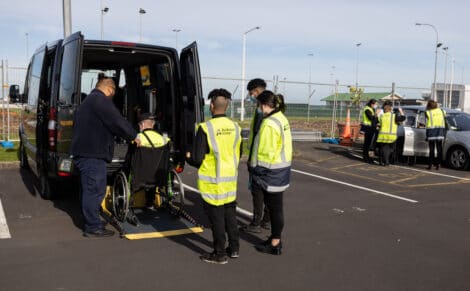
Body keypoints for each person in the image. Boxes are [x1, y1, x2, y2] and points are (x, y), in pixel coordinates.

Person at [71, 78, 140, 237]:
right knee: (95, 190)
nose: (112, 98)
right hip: (92, 155)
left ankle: (92, 220)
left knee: (89, 189)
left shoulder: (89, 101)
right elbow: (117, 121)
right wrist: (134, 136)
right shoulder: (101, 100)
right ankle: (93, 226)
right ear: (109, 89)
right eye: (113, 94)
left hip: (85, 153)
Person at [186, 88, 242, 264]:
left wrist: (188, 157)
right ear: (226, 106)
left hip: (212, 182)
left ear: (211, 106)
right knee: (230, 215)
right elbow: (238, 153)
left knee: (217, 219)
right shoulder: (235, 127)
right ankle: (234, 248)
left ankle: (219, 254)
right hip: (230, 180)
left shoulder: (205, 128)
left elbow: (197, 158)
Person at [250, 90, 292, 256]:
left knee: (275, 208)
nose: (258, 108)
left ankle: (275, 243)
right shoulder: (281, 118)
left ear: (264, 104)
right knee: (276, 207)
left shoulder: (268, 123)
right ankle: (275, 238)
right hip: (281, 169)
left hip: (270, 171)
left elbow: (264, 152)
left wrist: (255, 169)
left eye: (258, 104)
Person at [125, 112, 169, 225]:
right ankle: (149, 203)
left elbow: (129, 158)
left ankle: (130, 204)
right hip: (158, 178)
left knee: (132, 169)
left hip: (139, 178)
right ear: (153, 124)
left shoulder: (138, 138)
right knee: (154, 170)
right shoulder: (164, 139)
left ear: (142, 125)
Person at [241, 78, 271, 234]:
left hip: (259, 159)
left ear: (257, 91)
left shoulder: (261, 110)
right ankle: (266, 220)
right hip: (271, 159)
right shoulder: (274, 107)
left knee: (257, 191)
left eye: (251, 92)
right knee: (268, 191)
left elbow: (258, 138)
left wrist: (251, 160)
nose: (250, 95)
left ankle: (256, 222)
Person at [376, 101, 405, 166]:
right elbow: (403, 118)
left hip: (382, 136)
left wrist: (376, 114)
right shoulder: (394, 116)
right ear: (391, 109)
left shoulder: (381, 116)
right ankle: (387, 161)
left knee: (383, 149)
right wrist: (401, 111)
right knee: (390, 149)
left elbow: (376, 122)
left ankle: (382, 161)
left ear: (384, 110)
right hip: (391, 136)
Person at [425, 100, 446, 170]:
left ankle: (430, 165)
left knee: (432, 149)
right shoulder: (442, 111)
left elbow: (427, 122)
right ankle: (438, 164)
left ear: (429, 106)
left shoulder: (428, 113)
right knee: (439, 149)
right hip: (440, 132)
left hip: (431, 133)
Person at [362, 99, 378, 163]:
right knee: (367, 143)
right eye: (375, 104)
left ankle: (368, 156)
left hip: (372, 128)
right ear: (372, 104)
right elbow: (371, 118)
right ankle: (365, 157)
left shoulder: (372, 109)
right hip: (368, 128)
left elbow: (374, 119)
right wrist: (376, 114)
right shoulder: (367, 109)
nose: (376, 105)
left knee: (370, 144)